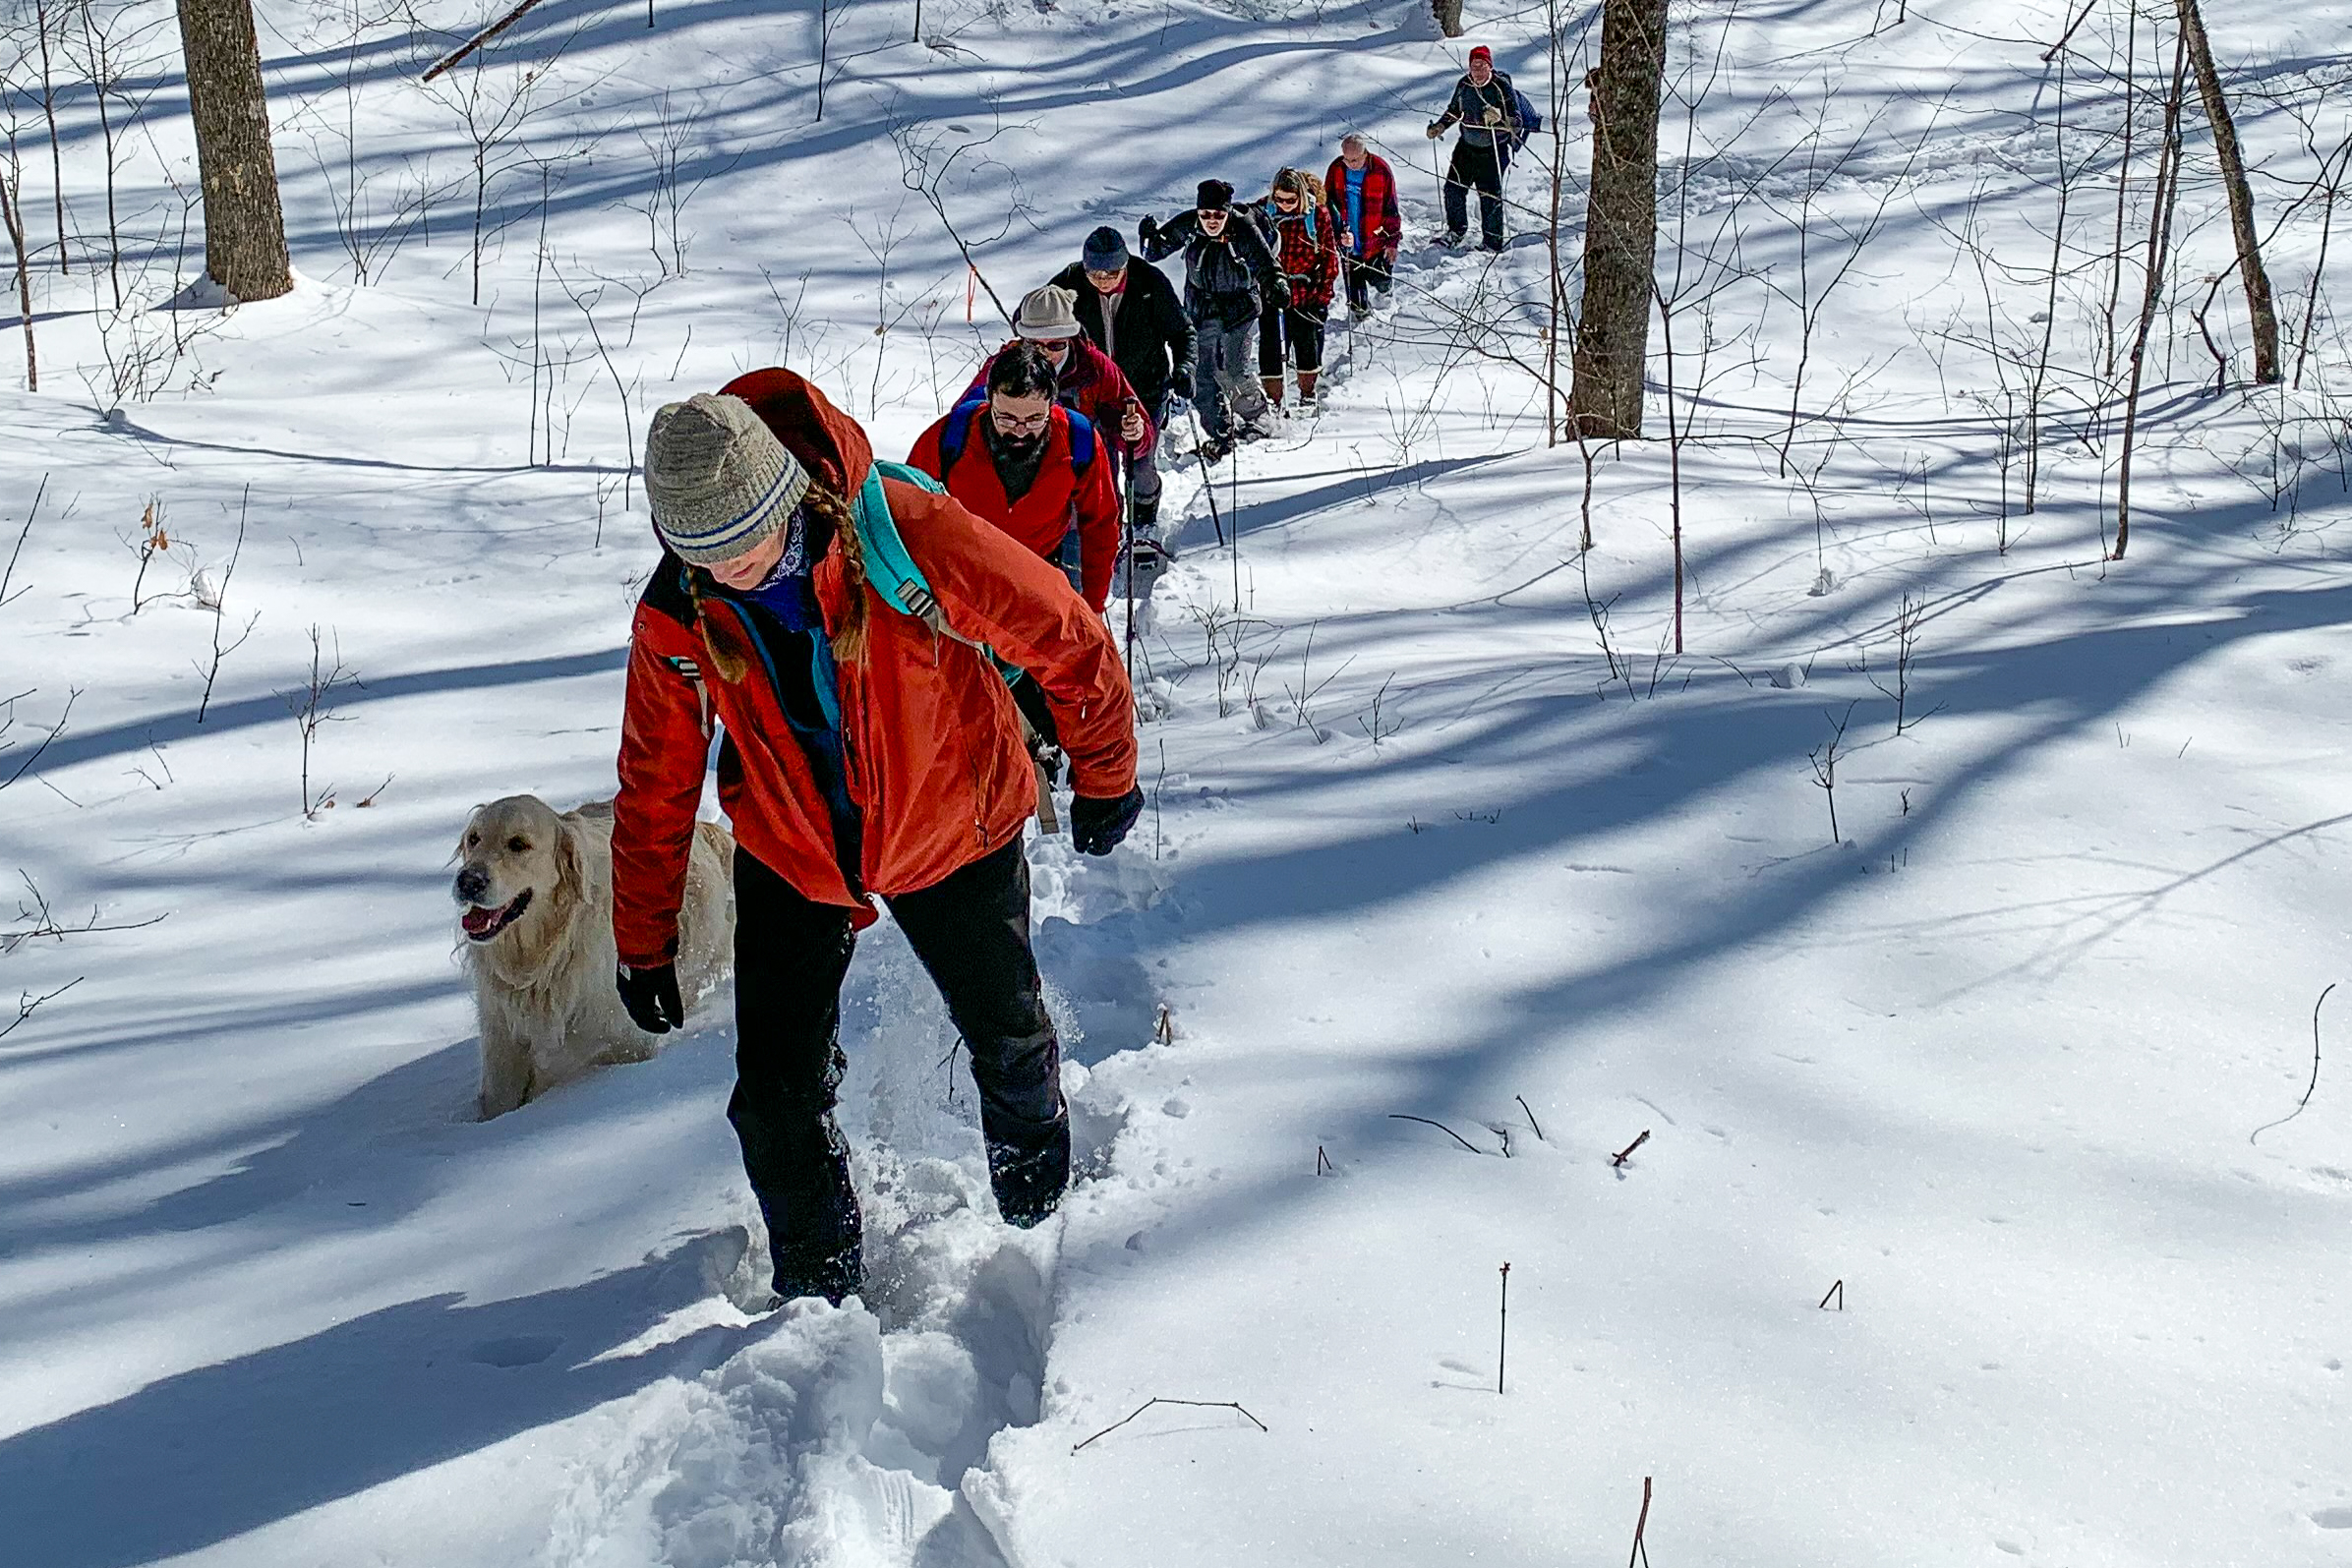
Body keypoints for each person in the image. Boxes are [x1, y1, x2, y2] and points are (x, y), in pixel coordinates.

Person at [612, 369, 1143, 1307]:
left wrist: (1105, 773)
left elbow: (1064, 632)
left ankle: (1048, 1227)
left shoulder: (900, 528)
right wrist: (643, 939)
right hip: (792, 841)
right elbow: (656, 776)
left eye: (742, 543)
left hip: (949, 820)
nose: (727, 568)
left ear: (785, 494)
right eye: (701, 553)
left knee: (1008, 1040)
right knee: (773, 1097)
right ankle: (819, 1304)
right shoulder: (678, 611)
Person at [912, 344, 1122, 615]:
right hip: (965, 581)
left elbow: (1101, 525)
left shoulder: (1079, 441)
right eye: (1007, 418)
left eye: (1035, 419)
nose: (1020, 432)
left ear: (1052, 404)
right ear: (989, 402)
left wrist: (1093, 606)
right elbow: (910, 513)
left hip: (1043, 573)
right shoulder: (951, 438)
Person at [1048, 226, 1195, 541]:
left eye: (1111, 273)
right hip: (1090, 395)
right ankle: (1109, 528)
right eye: (1095, 273)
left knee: (1140, 464)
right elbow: (1043, 331)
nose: (1103, 280)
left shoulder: (1150, 283)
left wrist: (1184, 368)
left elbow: (1182, 333)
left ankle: (1144, 520)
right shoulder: (1067, 286)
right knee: (1102, 468)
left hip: (1144, 391)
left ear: (1124, 265)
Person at [1139, 178, 1287, 465]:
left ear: (1227, 212)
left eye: (1218, 215)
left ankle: (1260, 417)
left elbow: (1265, 263)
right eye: (1205, 215)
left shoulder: (1243, 228)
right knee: (1201, 374)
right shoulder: (1190, 224)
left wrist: (1276, 284)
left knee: (1232, 368)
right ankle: (1220, 433)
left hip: (1240, 309)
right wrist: (1148, 236)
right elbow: (1154, 252)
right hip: (1201, 308)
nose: (1211, 221)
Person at [963, 286, 1153, 498]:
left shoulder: (1095, 368)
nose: (1044, 353)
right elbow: (963, 418)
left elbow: (1139, 437)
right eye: (1034, 345)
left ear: (1070, 339)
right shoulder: (1002, 368)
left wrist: (1133, 434)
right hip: (1020, 486)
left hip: (1085, 485)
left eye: (1055, 345)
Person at [1248, 168, 1341, 411]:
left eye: (1291, 200)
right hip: (1271, 289)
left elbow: (1330, 258)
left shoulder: (1317, 215)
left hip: (1305, 290)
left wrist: (1323, 293)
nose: (1285, 205)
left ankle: (1307, 390)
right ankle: (1274, 396)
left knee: (1306, 343)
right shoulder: (1261, 213)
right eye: (1279, 199)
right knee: (1270, 344)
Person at [1427, 44, 1523, 253]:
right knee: (1453, 189)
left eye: (1481, 65)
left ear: (1490, 66)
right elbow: (1454, 111)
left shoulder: (1501, 86)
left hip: (1493, 149)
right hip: (1467, 147)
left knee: (1489, 196)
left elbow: (1517, 121)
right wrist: (1441, 126)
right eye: (1473, 66)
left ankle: (1492, 242)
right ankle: (1456, 231)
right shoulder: (1464, 85)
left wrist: (1500, 117)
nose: (1477, 70)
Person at [1324, 133, 1401, 318]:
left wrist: (1392, 241)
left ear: (1365, 154)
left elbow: (1391, 207)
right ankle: (1360, 313)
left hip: (1374, 238)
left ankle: (1386, 292)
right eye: (1347, 159)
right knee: (1354, 285)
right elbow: (1327, 201)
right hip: (1348, 239)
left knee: (1380, 279)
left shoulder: (1380, 170)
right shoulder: (1336, 168)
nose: (1350, 164)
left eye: (1355, 160)